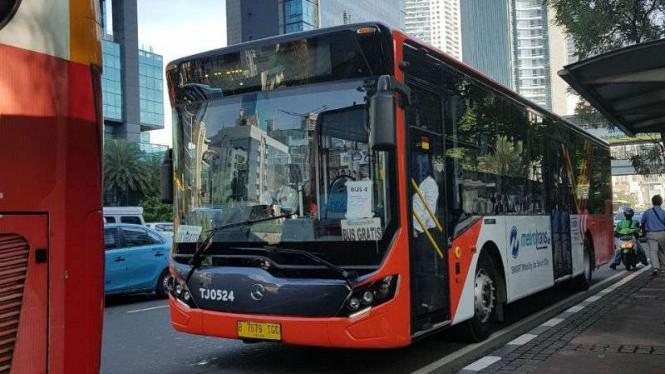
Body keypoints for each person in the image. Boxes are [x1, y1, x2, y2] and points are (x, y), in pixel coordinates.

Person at [640, 195, 665, 275]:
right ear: (661, 202)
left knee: (653, 251)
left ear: (652, 202)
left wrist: (643, 233)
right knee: (662, 251)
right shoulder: (663, 212)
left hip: (650, 234)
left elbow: (643, 222)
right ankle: (663, 267)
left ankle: (655, 268)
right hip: (662, 234)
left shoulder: (647, 212)